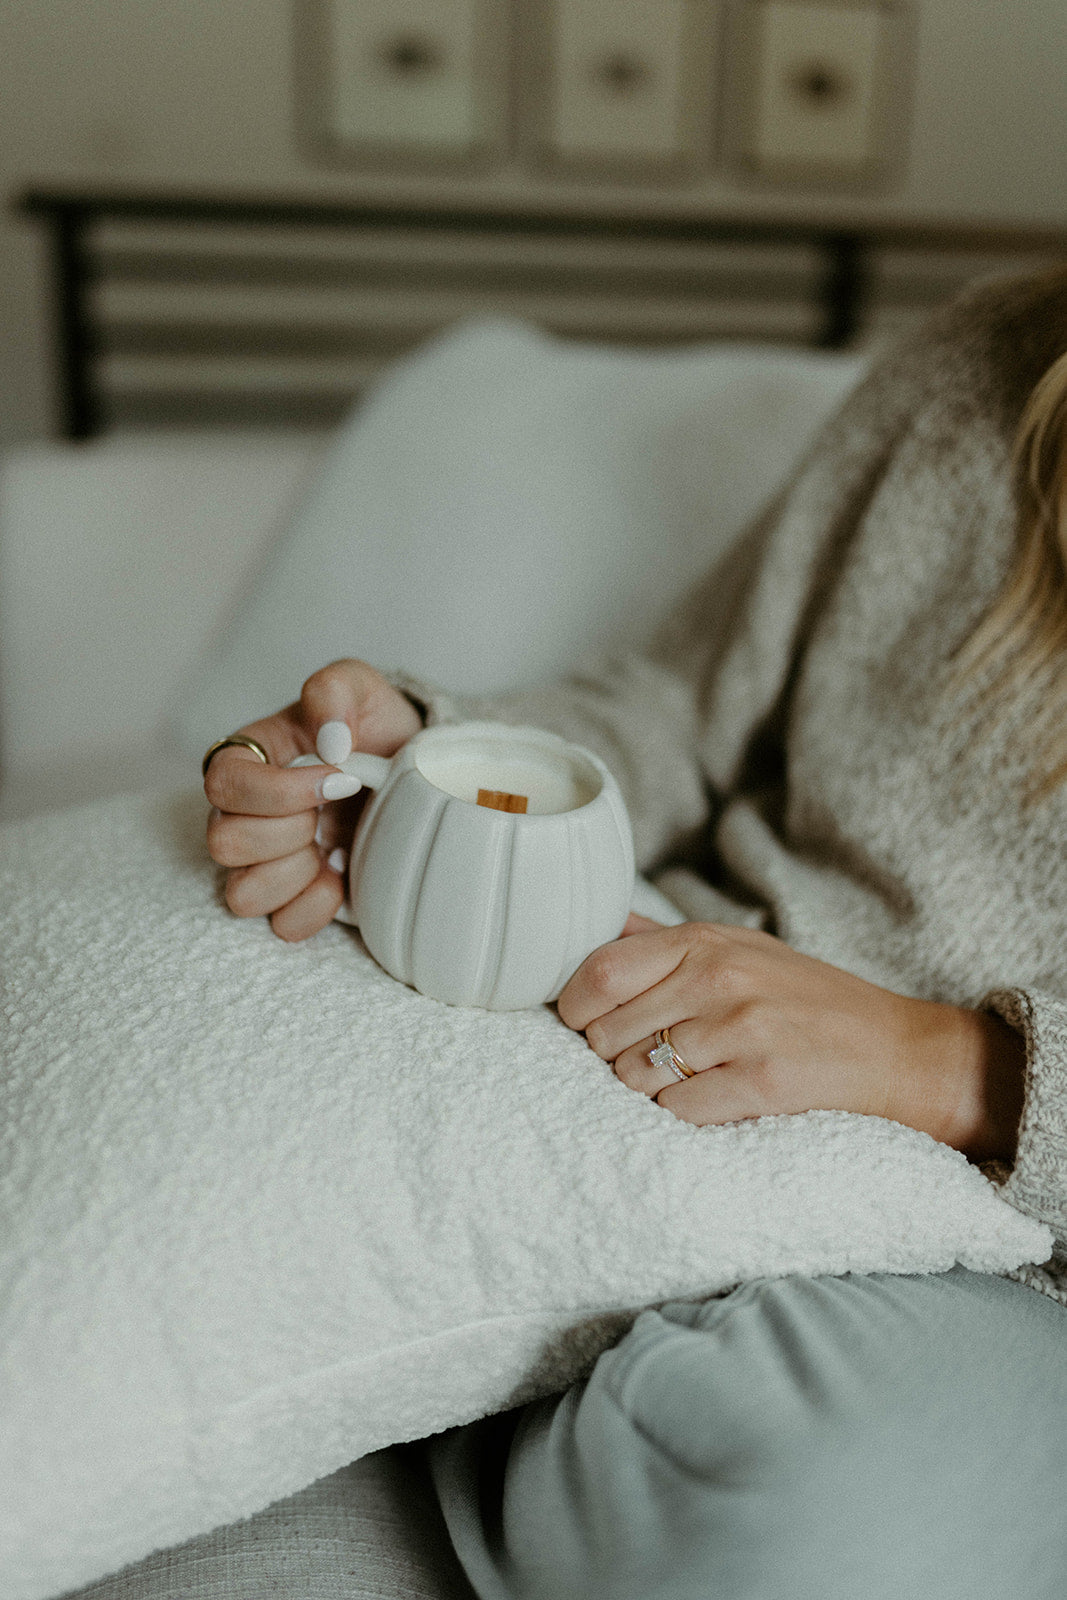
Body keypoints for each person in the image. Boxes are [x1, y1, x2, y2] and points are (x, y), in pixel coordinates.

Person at [203, 270, 1067, 1598]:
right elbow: (676, 707)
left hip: (1007, 1264)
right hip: (639, 1061)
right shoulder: (983, 363)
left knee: (788, 1516)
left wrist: (961, 1069)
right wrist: (446, 772)